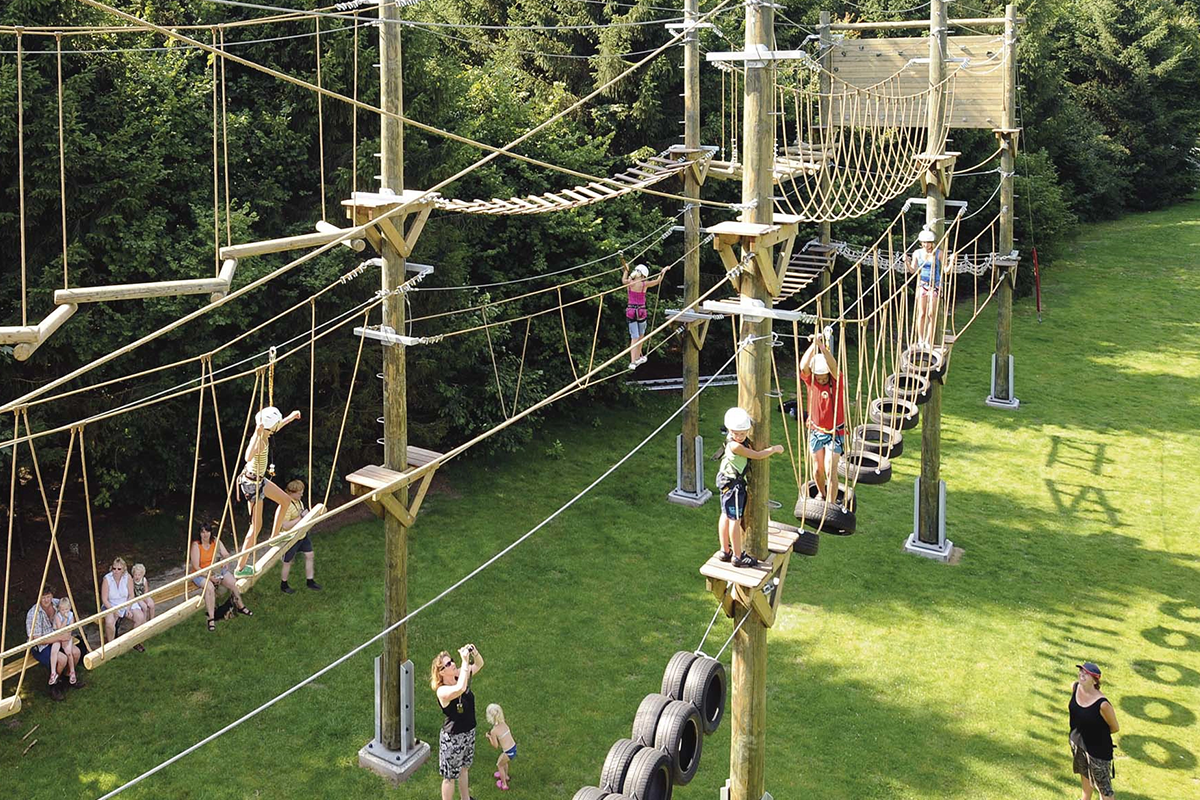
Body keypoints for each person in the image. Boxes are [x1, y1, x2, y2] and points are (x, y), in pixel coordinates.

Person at [236, 405, 302, 577]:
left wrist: (291, 417)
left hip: (259, 480)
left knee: (285, 500)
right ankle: (240, 568)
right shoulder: (260, 438)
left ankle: (274, 536)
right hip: (252, 484)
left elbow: (276, 426)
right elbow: (247, 457)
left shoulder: (266, 432)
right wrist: (257, 436)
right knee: (255, 527)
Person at [715, 407, 784, 569]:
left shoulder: (731, 440)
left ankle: (725, 550)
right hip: (733, 485)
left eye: (743, 433)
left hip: (725, 481)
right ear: (729, 430)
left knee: (725, 515)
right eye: (735, 433)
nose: (739, 437)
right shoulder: (735, 446)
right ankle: (738, 556)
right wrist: (774, 449)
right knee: (734, 520)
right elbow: (758, 456)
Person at [799, 328, 847, 507]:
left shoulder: (836, 381)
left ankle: (831, 504)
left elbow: (833, 365)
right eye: (817, 377)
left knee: (829, 468)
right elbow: (803, 366)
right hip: (816, 431)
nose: (820, 380)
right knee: (817, 470)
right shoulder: (811, 381)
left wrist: (822, 347)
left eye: (822, 377)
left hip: (835, 433)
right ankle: (821, 492)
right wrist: (814, 346)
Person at [431, 643, 485, 800]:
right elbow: (461, 688)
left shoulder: (459, 675)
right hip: (453, 739)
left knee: (464, 769)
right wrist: (464, 661)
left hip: (469, 732)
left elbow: (479, 664)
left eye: (452, 660)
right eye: (448, 664)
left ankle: (465, 799)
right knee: (449, 778)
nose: (453, 664)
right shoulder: (442, 691)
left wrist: (474, 652)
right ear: (441, 673)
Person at [190, 521, 252, 632]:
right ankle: (211, 618)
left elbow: (226, 554)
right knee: (210, 588)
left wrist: (225, 562)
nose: (205, 534)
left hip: (217, 570)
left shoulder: (215, 541)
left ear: (210, 532)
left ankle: (240, 606)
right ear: (199, 533)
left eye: (207, 531)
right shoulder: (196, 545)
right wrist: (210, 577)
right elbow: (196, 566)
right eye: (202, 532)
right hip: (201, 573)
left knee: (233, 583)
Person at [1069, 662, 1119, 800]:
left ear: (1095, 680)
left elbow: (1115, 727)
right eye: (1080, 671)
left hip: (1098, 751)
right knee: (1085, 781)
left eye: (1086, 673)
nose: (1081, 674)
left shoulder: (1103, 704)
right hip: (1078, 744)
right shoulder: (1075, 687)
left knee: (1104, 789)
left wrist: (1094, 733)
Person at [25, 586, 76, 698]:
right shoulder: (33, 614)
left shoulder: (57, 603)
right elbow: (37, 639)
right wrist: (60, 637)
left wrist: (67, 632)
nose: (46, 600)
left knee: (76, 653)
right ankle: (54, 686)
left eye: (48, 596)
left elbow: (69, 615)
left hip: (58, 637)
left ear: (52, 595)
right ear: (38, 598)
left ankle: (68, 678)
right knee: (62, 659)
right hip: (40, 646)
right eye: (43, 597)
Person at [620, 258, 671, 370]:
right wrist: (663, 271)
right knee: (640, 336)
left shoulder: (629, 282)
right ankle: (635, 359)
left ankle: (635, 360)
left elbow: (623, 280)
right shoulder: (644, 284)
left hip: (631, 312)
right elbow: (658, 281)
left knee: (635, 337)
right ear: (643, 275)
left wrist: (626, 271)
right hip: (641, 312)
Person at [277, 479, 321, 594]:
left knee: (310, 555)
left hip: (302, 534)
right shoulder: (285, 505)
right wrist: (300, 518)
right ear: (292, 492)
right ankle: (284, 584)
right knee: (288, 562)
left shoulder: (298, 501)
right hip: (290, 538)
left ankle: (310, 581)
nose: (302, 494)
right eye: (299, 492)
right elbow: (285, 525)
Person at [906, 227, 947, 346]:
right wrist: (907, 262)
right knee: (922, 313)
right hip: (922, 284)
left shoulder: (939, 253)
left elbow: (946, 270)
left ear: (932, 243)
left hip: (935, 285)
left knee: (931, 314)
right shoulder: (917, 253)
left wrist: (952, 262)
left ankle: (929, 340)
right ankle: (921, 339)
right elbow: (913, 271)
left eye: (928, 242)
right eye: (924, 242)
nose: (926, 245)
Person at [101, 557, 147, 650]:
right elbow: (104, 599)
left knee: (140, 617)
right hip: (111, 605)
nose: (116, 571)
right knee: (109, 623)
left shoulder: (128, 577)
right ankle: (111, 647)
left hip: (126, 602)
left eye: (119, 569)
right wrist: (113, 611)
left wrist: (128, 608)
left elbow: (131, 595)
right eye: (114, 568)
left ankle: (134, 641)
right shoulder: (107, 579)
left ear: (123, 570)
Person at [47, 597, 82, 685]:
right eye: (62, 610)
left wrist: (66, 636)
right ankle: (53, 673)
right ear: (59, 609)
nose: (64, 612)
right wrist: (65, 619)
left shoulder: (71, 615)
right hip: (57, 634)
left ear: (69, 608)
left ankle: (72, 672)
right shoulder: (58, 616)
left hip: (66, 635)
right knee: (54, 651)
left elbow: (71, 627)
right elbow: (60, 629)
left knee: (69, 652)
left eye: (66, 609)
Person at [485, 703, 517, 791]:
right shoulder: (503, 723)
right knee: (504, 762)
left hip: (508, 751)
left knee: (499, 765)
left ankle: (504, 784)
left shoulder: (494, 731)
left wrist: (490, 737)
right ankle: (506, 776)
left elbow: (495, 745)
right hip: (513, 748)